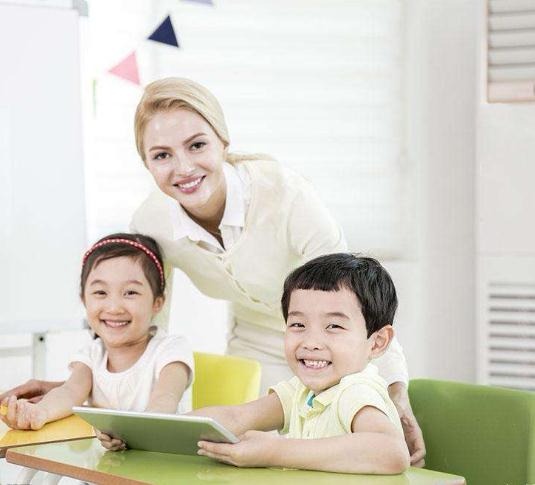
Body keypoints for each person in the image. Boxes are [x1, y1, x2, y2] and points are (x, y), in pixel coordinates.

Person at [0, 78, 425, 466]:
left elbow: (354, 306)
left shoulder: (288, 196)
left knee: (318, 448)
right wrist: (86, 386)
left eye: (197, 145)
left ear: (223, 140)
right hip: (256, 343)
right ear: (146, 163)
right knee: (249, 457)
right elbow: (145, 329)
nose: (183, 168)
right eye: (162, 155)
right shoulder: (152, 222)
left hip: (332, 342)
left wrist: (395, 393)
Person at [189, 253, 409, 474]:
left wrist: (275, 451)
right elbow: (237, 417)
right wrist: (169, 426)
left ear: (377, 342)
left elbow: (392, 452)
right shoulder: (301, 392)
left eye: (333, 326)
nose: (311, 342)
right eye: (298, 324)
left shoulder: (356, 391)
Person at [0, 234, 193, 437]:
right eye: (101, 292)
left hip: (162, 453)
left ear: (157, 303)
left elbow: (165, 399)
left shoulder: (171, 350)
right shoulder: (91, 355)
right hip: (109, 456)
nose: (114, 307)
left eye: (130, 293)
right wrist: (39, 413)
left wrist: (134, 433)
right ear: (84, 299)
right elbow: (69, 392)